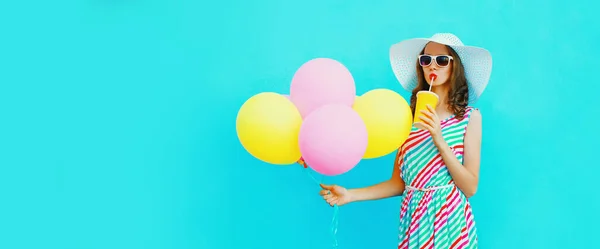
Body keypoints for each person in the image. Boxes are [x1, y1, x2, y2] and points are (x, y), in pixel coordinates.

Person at [317, 33, 492, 248]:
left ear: (455, 67)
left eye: (442, 60)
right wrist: (350, 195)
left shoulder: (469, 118)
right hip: (415, 220)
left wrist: (439, 139)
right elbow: (398, 184)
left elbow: (470, 187)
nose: (432, 66)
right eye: (426, 60)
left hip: (450, 221)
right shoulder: (406, 119)